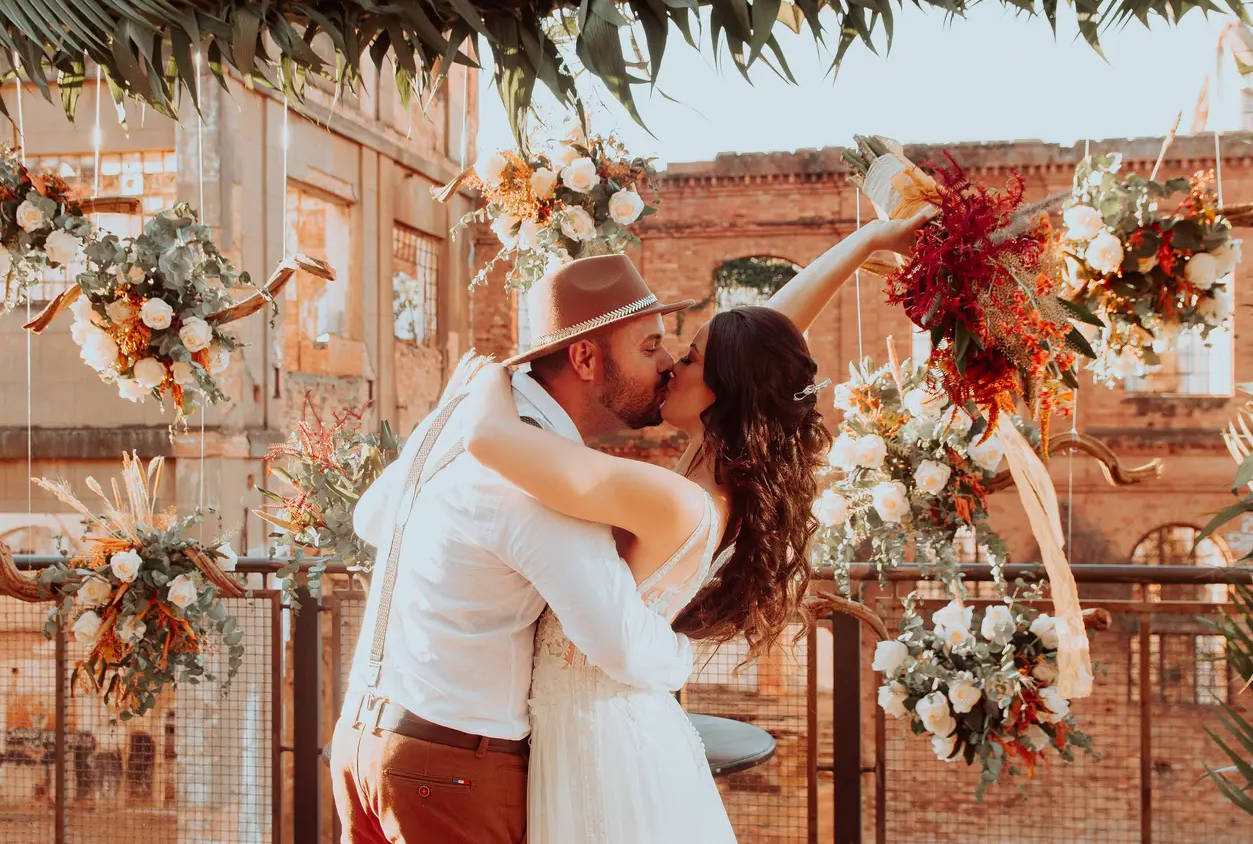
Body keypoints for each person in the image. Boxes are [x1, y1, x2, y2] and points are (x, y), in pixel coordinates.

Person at [460, 209, 934, 844]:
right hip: (605, 728)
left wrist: (494, 373)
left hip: (600, 746)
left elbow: (488, 437)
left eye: (687, 358)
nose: (668, 366)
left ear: (721, 388)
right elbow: (767, 339)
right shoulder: (714, 480)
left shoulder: (672, 499)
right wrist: (865, 242)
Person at [330, 255, 698, 844]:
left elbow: (371, 517)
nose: (667, 365)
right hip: (448, 770)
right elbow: (621, 647)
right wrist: (687, 652)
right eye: (650, 345)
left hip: (360, 745)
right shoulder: (536, 468)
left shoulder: (464, 413)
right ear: (585, 357)